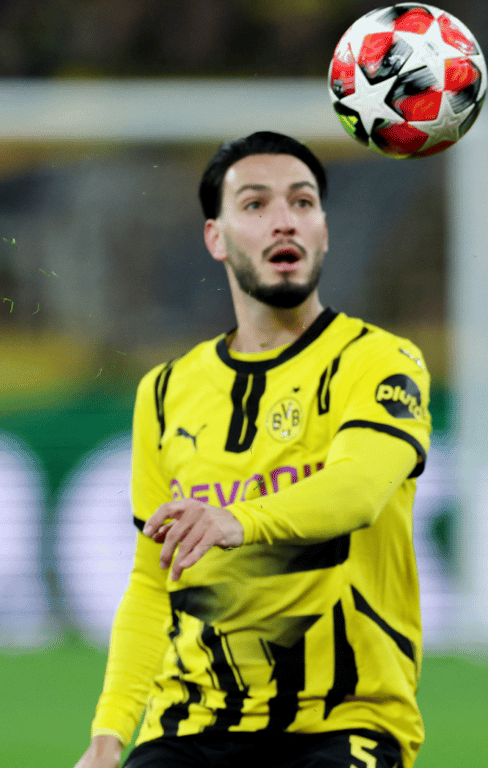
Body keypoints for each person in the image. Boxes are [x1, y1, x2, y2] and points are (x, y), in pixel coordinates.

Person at [73, 132, 430, 768]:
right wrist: (108, 736)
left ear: (324, 231)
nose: (284, 220)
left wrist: (237, 520)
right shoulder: (165, 393)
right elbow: (153, 582)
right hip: (190, 729)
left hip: (344, 726)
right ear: (216, 238)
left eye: (303, 202)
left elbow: (358, 490)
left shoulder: (379, 361)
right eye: (256, 204)